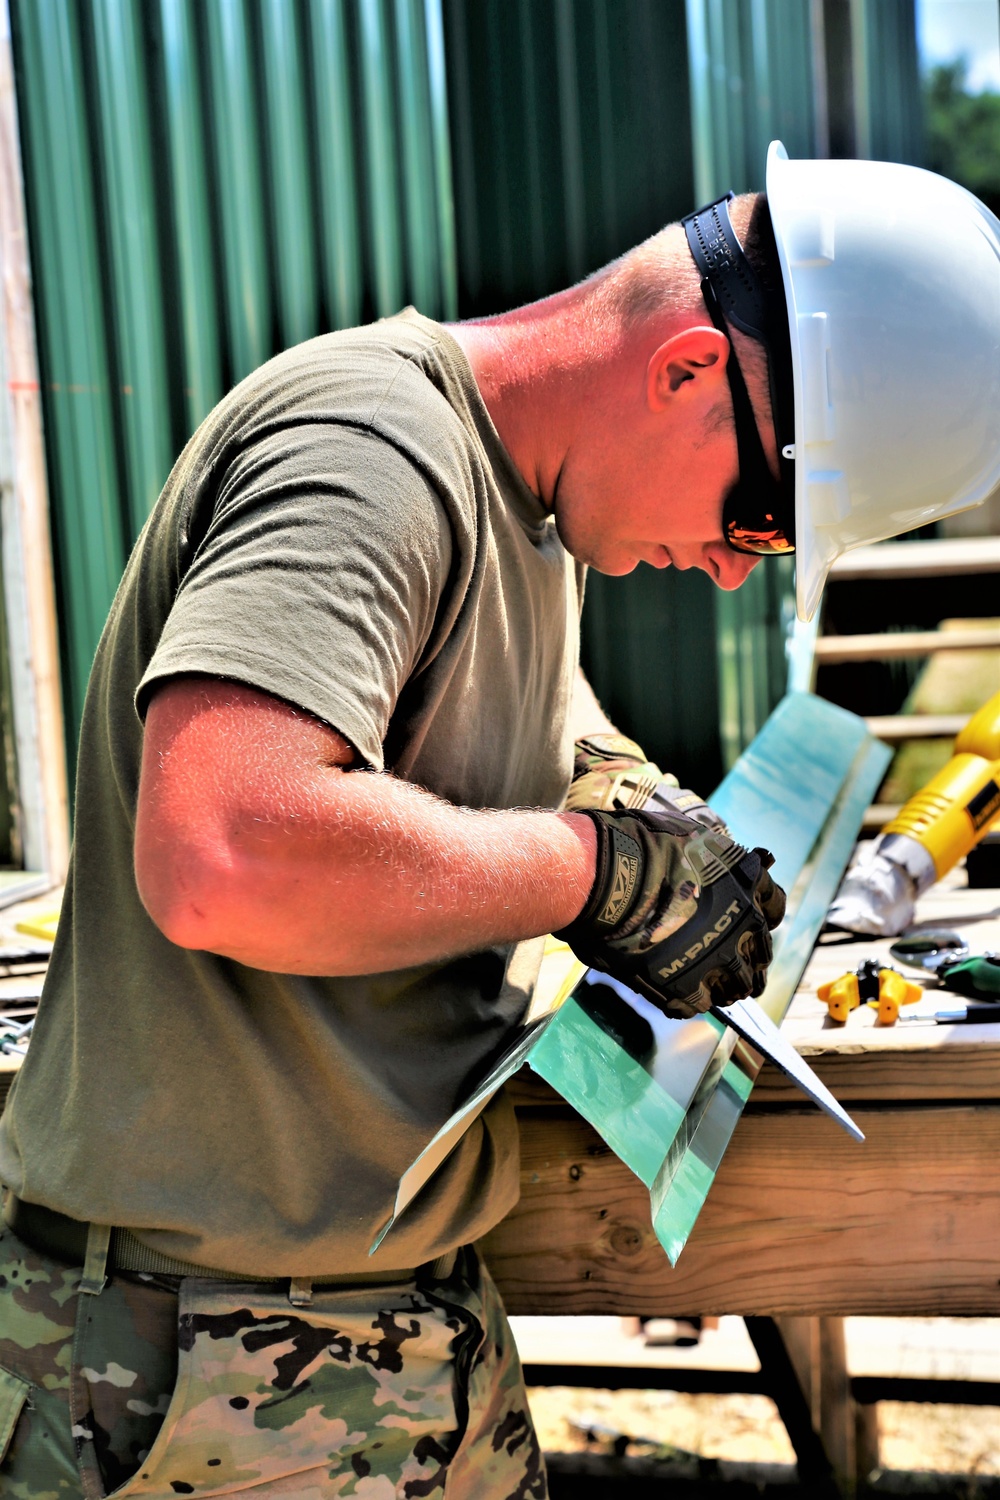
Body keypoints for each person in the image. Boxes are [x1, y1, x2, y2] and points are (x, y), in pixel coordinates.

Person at [0, 142, 998, 1498]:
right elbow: (221, 849)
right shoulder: (370, 454)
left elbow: (534, 724)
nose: (723, 568)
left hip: (375, 1314)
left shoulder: (526, 505)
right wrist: (593, 872)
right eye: (758, 513)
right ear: (689, 366)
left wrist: (641, 807)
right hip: (195, 1354)